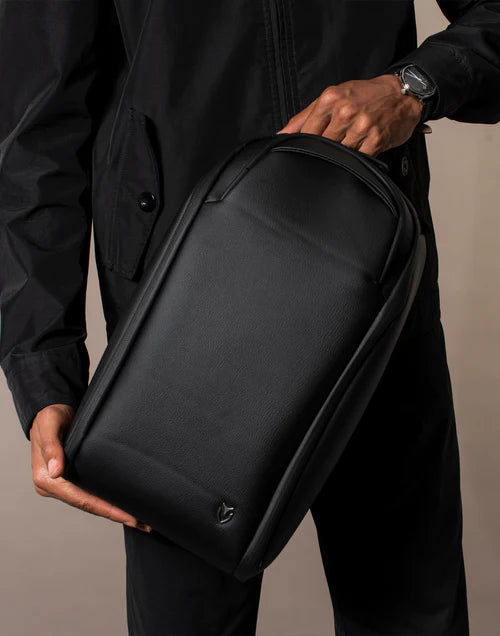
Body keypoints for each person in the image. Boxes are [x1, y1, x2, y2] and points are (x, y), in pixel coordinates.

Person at [1, 1, 499, 634]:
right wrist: (43, 368)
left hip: (367, 287)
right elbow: (36, 130)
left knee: (409, 610)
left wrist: (415, 85)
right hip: (177, 316)